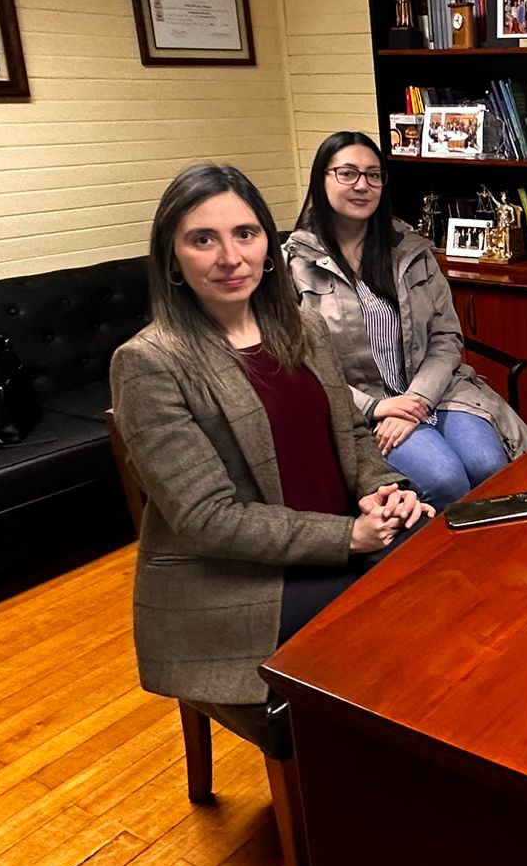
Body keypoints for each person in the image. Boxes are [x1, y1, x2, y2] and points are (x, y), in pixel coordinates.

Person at [111, 163, 434, 708]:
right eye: (202, 240)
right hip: (241, 583)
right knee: (405, 618)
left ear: (268, 245)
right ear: (171, 258)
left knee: (445, 564)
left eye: (245, 233)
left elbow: (352, 432)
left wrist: (381, 488)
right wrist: (349, 537)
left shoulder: (302, 329)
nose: (230, 257)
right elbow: (208, 519)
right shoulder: (150, 363)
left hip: (338, 538)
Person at [286, 132, 527, 511]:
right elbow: (301, 365)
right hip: (363, 409)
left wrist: (418, 399)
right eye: (347, 173)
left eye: (373, 175)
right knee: (444, 479)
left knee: (488, 466)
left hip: (437, 391)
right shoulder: (293, 265)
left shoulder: (409, 248)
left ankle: (493, 548)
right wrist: (375, 408)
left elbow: (446, 336)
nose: (362, 185)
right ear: (321, 179)